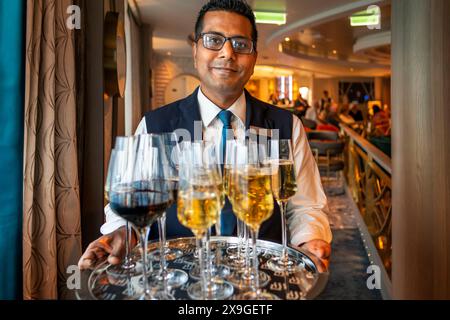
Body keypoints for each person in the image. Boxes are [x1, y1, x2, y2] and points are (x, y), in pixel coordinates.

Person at [78, 0, 332, 271]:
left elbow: (306, 206)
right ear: (196, 50)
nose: (227, 53)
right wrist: (123, 233)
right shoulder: (155, 125)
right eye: (213, 40)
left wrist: (309, 239)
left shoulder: (286, 125)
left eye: (240, 44)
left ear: (254, 58)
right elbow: (130, 202)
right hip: (178, 274)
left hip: (262, 276)